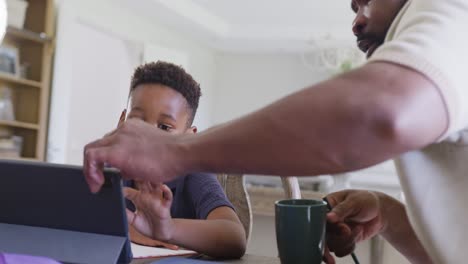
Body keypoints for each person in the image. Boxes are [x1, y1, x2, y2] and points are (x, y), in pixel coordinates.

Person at [83, 0, 468, 263]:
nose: (356, 20)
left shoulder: (447, 10)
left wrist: (175, 151)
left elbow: (383, 110)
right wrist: (387, 215)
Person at [118, 61, 246, 258]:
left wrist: (167, 228)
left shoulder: (194, 174)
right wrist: (129, 227)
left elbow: (235, 237)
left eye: (164, 127)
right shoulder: (112, 170)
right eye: (137, 120)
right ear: (122, 122)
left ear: (189, 137)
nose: (147, 135)